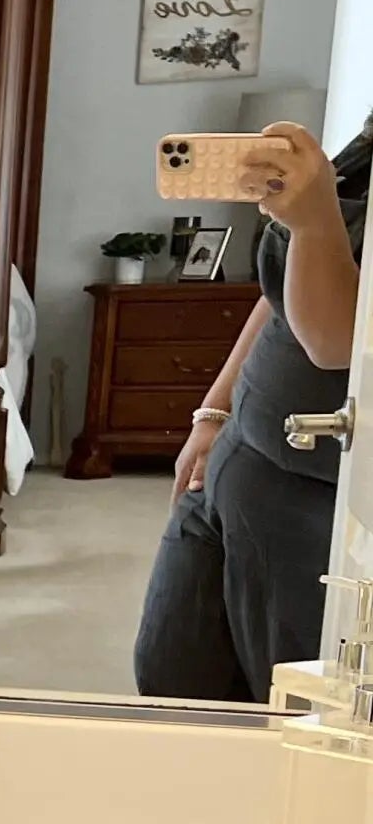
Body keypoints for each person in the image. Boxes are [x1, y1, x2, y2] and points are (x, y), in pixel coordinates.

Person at [132, 118, 365, 701]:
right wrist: (212, 413)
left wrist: (312, 220)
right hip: (235, 459)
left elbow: (336, 341)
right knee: (168, 677)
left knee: (288, 709)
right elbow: (277, 298)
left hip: (310, 505)